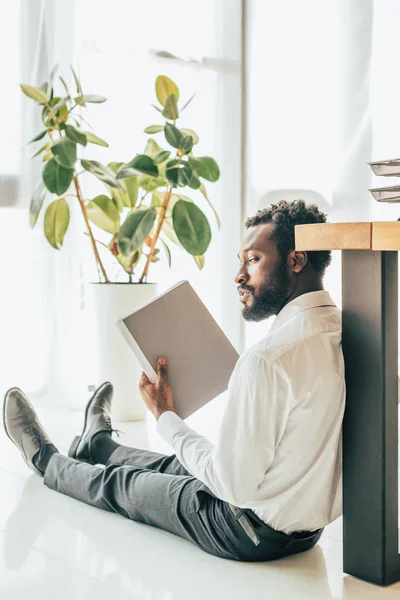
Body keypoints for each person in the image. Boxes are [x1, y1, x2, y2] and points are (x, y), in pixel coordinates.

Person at [3, 199, 345, 562]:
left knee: (123, 486)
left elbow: (233, 486)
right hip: (304, 531)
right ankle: (98, 447)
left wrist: (165, 415)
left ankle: (46, 461)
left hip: (244, 529)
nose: (239, 275)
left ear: (296, 260)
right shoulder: (347, 331)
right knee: (175, 467)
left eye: (253, 259)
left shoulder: (268, 359)